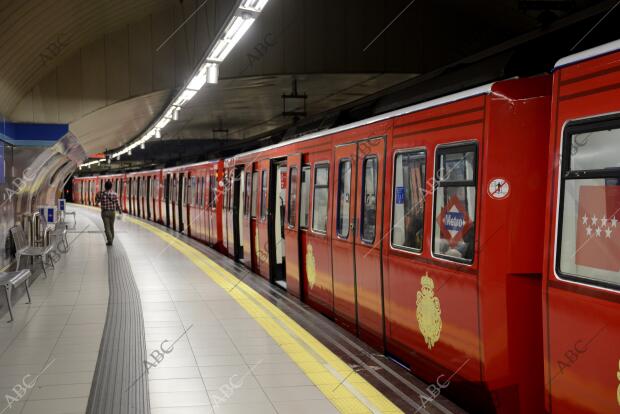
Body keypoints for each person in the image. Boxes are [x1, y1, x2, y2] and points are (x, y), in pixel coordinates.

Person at [95, 181, 122, 246]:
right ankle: (111, 239)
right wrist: (120, 210)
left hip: (105, 212)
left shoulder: (102, 194)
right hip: (113, 212)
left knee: (107, 227)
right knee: (111, 226)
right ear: (111, 187)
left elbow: (96, 202)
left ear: (105, 186)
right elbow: (117, 203)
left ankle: (110, 240)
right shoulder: (114, 194)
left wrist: (97, 199)